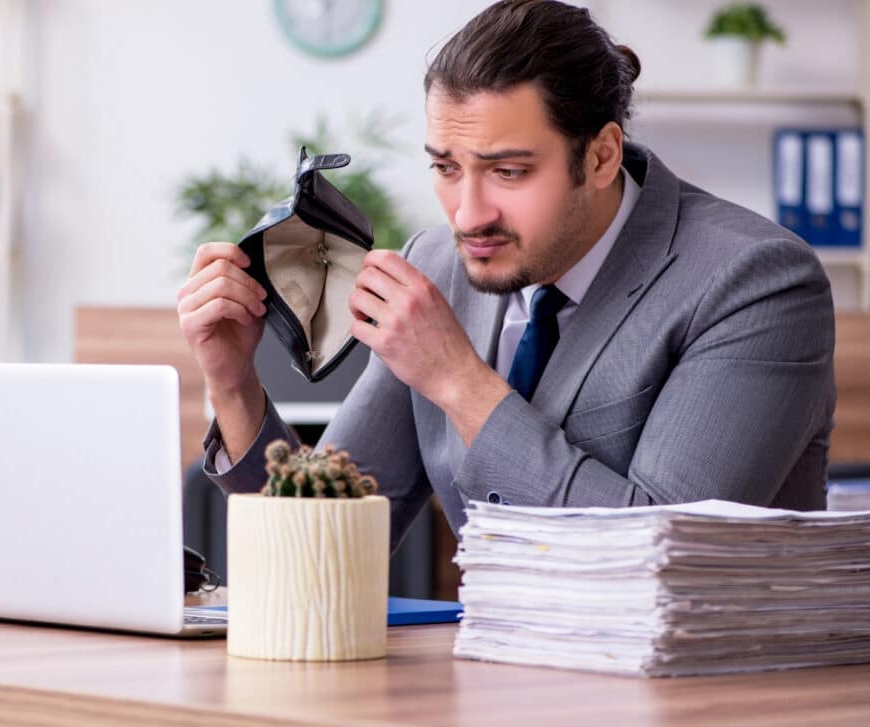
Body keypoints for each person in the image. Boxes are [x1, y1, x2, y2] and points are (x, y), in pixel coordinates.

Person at [176, 0, 835, 549]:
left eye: (509, 172)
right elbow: (320, 544)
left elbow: (665, 552)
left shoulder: (756, 280)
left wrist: (458, 380)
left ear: (602, 156)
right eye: (445, 167)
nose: (468, 214)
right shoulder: (438, 261)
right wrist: (234, 385)